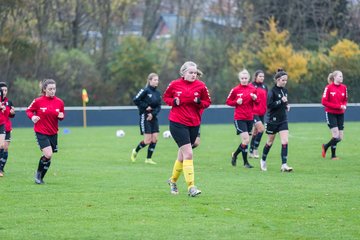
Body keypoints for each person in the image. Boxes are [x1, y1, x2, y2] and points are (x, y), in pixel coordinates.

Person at [163, 61, 211, 197]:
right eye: (190, 72)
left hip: (194, 123)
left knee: (182, 155)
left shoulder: (201, 86)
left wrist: (199, 103)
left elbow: (207, 102)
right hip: (177, 123)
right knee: (189, 154)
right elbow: (166, 97)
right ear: (183, 73)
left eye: (195, 73)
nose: (193, 75)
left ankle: (172, 181)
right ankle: (191, 187)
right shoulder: (174, 84)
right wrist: (173, 102)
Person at [26, 79, 65, 184]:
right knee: (48, 154)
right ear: (44, 89)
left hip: (53, 132)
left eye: (54, 89)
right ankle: (38, 174)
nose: (53, 91)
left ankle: (40, 178)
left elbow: (61, 115)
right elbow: (28, 110)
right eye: (50, 89)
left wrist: (61, 116)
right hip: (41, 131)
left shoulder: (60, 102)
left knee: (49, 156)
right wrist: (33, 117)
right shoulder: (38, 101)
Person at [259, 69, 293, 172]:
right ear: (278, 80)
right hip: (272, 121)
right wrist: (280, 101)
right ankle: (263, 160)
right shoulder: (272, 91)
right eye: (283, 80)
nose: (285, 82)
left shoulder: (285, 91)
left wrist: (287, 106)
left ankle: (284, 165)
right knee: (270, 142)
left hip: (283, 120)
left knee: (285, 141)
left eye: (286, 80)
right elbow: (269, 105)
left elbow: (284, 103)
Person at [226, 69, 258, 168]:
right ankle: (236, 155)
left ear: (248, 78)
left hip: (249, 117)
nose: (244, 80)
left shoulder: (253, 89)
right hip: (239, 118)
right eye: (242, 78)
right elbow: (228, 101)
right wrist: (236, 102)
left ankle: (244, 162)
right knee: (246, 140)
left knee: (245, 141)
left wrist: (255, 99)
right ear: (239, 79)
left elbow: (258, 103)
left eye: (245, 78)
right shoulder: (235, 90)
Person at [130, 73, 161, 165]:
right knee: (147, 140)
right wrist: (145, 107)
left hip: (153, 117)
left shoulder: (158, 93)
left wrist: (153, 114)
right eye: (154, 80)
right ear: (150, 80)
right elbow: (136, 99)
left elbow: (159, 106)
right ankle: (135, 151)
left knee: (155, 139)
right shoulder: (145, 90)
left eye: (157, 80)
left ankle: (148, 159)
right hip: (145, 116)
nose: (156, 82)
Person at [321, 70, 347, 160]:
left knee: (340, 137)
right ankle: (333, 156)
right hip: (331, 113)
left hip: (340, 114)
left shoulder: (344, 87)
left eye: (342, 76)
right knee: (335, 135)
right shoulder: (328, 87)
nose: (341, 78)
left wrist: (344, 105)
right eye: (340, 76)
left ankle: (325, 146)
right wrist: (338, 106)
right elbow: (324, 102)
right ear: (335, 77)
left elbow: (345, 99)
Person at [249, 70, 267, 158]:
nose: (262, 78)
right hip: (253, 112)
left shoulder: (264, 86)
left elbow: (266, 99)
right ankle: (256, 149)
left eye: (263, 76)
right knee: (261, 129)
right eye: (260, 76)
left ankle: (251, 151)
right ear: (255, 77)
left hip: (262, 112)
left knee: (255, 132)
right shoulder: (251, 86)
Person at [0, 82, 16, 177]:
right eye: (3, 90)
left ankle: (1, 168)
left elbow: (11, 115)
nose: (4, 92)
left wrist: (12, 113)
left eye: (6, 90)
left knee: (5, 148)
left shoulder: (9, 102)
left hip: (7, 128)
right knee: (1, 147)